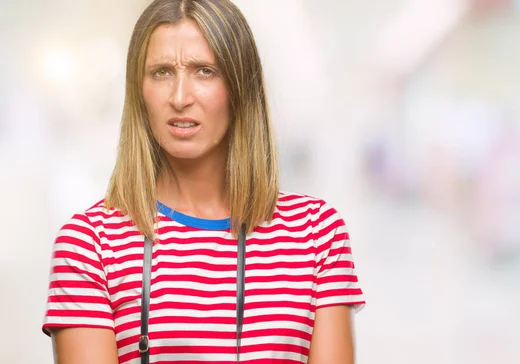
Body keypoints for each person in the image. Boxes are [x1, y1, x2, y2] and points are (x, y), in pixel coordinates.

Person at [41, 1, 365, 363]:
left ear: (240, 85)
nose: (180, 98)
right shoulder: (91, 245)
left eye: (204, 71)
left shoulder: (317, 234)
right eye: (162, 72)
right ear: (139, 90)